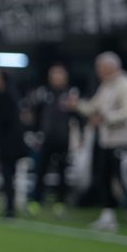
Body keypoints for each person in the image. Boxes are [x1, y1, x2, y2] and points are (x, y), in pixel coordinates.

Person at [69, 52, 127, 233]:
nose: (98, 72)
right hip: (106, 141)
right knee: (103, 178)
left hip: (122, 141)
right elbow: (93, 107)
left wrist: (105, 118)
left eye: (100, 68)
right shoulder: (106, 86)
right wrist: (78, 105)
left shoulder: (125, 85)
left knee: (125, 179)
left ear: (110, 67)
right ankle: (108, 215)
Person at [27, 64, 75, 217]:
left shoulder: (70, 94)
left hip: (63, 139)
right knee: (40, 171)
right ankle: (35, 201)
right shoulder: (43, 93)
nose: (57, 77)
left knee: (62, 172)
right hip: (46, 139)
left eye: (59, 74)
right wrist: (35, 132)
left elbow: (77, 117)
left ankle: (60, 202)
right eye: (54, 74)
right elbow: (33, 112)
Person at [0, 69, 27, 219]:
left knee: (8, 176)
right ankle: (9, 207)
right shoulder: (10, 95)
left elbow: (3, 121)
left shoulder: (4, 96)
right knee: (8, 177)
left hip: (8, 144)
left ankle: (10, 208)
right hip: (10, 144)